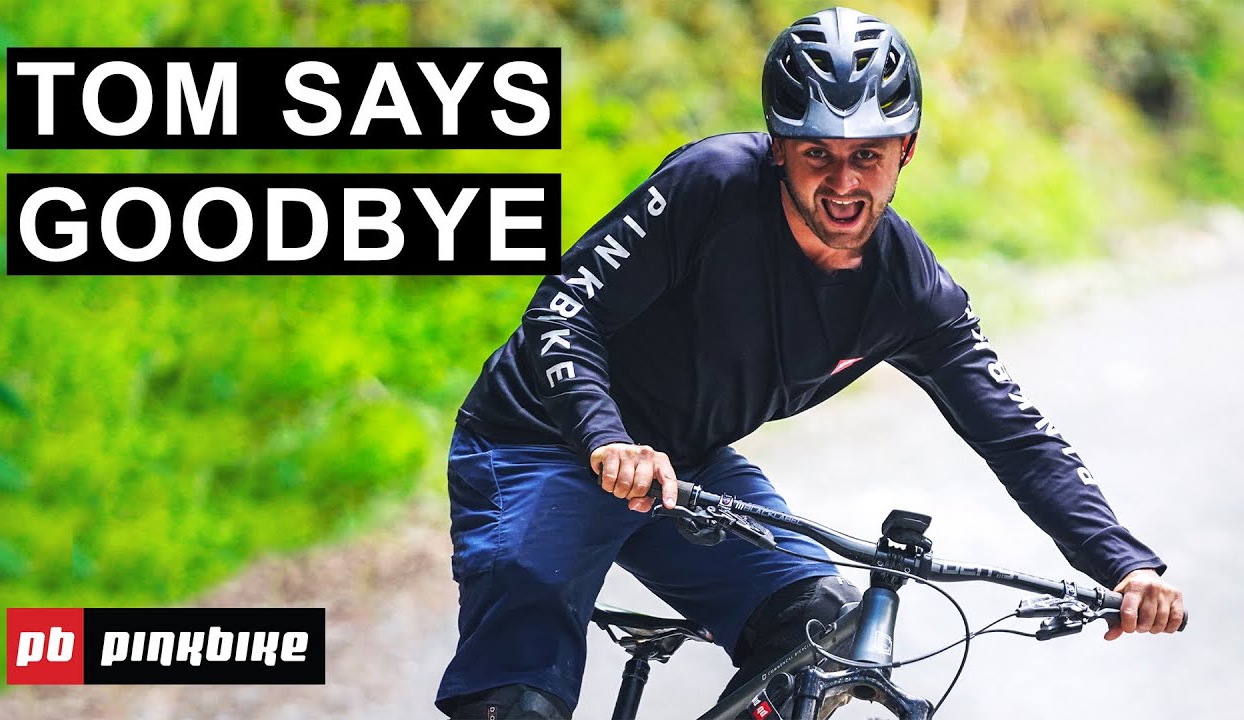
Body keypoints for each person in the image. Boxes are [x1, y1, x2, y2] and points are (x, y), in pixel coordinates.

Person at [436, 7, 1185, 719]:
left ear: (906, 151)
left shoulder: (909, 291)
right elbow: (563, 310)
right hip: (539, 441)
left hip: (685, 468)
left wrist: (1125, 564)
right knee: (518, 694)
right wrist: (606, 438)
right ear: (779, 147)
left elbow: (1015, 433)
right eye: (818, 153)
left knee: (823, 636)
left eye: (869, 155)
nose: (845, 183)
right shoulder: (711, 186)